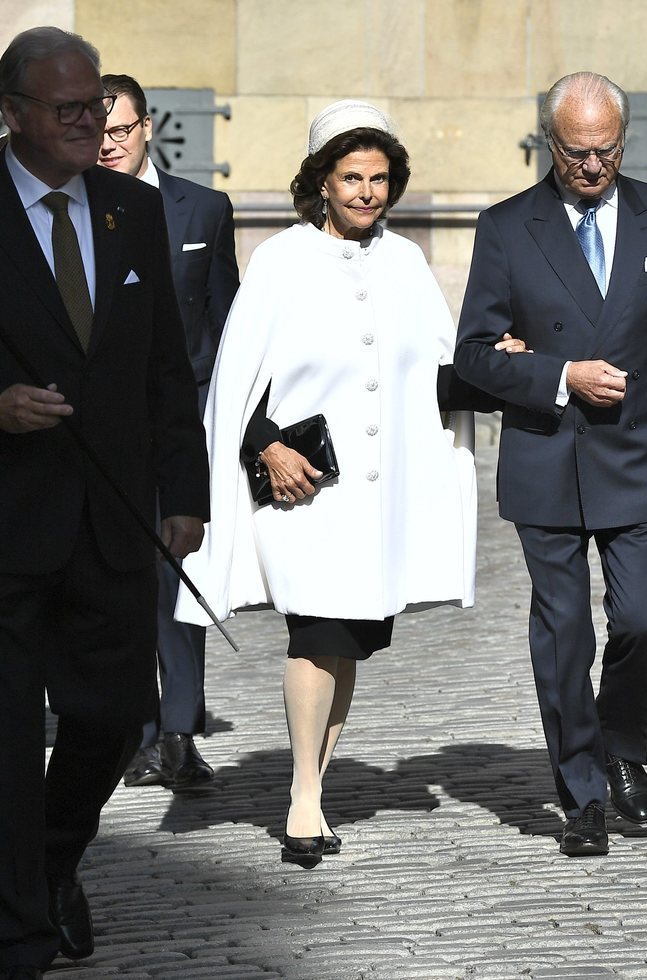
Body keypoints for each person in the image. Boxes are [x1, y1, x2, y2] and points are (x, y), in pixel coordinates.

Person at [175, 100, 511, 868]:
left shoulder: (406, 264)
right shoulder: (282, 261)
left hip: (380, 500)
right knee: (316, 632)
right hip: (307, 494)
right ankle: (300, 798)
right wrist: (265, 448)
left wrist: (502, 364)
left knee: (350, 640)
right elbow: (236, 382)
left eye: (380, 178)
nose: (367, 192)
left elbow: (437, 375)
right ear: (320, 182)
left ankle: (313, 788)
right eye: (352, 177)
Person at [454, 72, 647, 858]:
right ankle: (580, 794)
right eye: (577, 153)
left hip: (640, 452)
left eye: (606, 151)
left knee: (643, 619)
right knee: (565, 631)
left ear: (625, 138)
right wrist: (558, 375)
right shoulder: (507, 227)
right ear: (551, 143)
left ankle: (620, 743)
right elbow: (474, 354)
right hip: (546, 456)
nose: (592, 167)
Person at [0, 26, 208, 979]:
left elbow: (167, 365)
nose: (93, 123)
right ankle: (21, 934)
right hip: (8, 526)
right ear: (13, 115)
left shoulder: (130, 209)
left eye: (100, 106)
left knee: (115, 718)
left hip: (118, 520)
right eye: (69, 109)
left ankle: (48, 866)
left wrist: (186, 491)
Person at [97, 72, 240, 790]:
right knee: (118, 579)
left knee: (177, 573)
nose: (106, 144)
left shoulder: (204, 208)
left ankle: (180, 730)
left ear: (147, 126)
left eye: (119, 130)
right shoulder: (78, 203)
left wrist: (237, 419)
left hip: (184, 419)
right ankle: (138, 729)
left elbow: (229, 321)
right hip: (98, 424)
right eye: (95, 131)